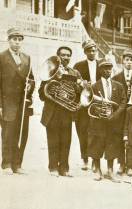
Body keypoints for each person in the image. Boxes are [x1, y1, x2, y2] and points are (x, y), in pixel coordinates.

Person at [39, 46, 82, 177]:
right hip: (52, 111)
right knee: (53, 140)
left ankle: (64, 168)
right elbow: (41, 94)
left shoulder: (75, 73)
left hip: (67, 112)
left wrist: (79, 89)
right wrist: (55, 82)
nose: (66, 57)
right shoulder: (50, 70)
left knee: (66, 141)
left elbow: (79, 94)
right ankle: (53, 167)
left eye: (68, 55)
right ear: (58, 56)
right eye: (63, 55)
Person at [0, 27, 35, 175]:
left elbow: (31, 78)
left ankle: (17, 164)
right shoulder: (1, 57)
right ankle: (6, 164)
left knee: (22, 134)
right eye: (14, 39)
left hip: (23, 103)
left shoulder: (27, 58)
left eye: (20, 40)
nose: (17, 43)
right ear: (9, 40)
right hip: (7, 103)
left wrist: (30, 86)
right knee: (8, 133)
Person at [87, 58, 127, 181]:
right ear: (100, 70)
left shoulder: (118, 85)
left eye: (110, 68)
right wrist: (98, 111)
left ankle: (110, 170)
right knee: (97, 145)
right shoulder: (94, 86)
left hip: (113, 121)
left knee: (112, 145)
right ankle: (98, 170)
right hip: (99, 122)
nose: (108, 70)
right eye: (105, 68)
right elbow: (90, 103)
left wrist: (115, 115)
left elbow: (123, 102)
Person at [112, 48, 132, 176]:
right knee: (121, 136)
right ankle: (121, 163)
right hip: (121, 111)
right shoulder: (116, 77)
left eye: (131, 60)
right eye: (127, 60)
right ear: (123, 61)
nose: (129, 62)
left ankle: (131, 165)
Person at [73, 39, 100, 171]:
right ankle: (84, 158)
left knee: (96, 132)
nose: (92, 52)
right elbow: (74, 83)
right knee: (82, 131)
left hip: (97, 102)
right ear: (85, 52)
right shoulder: (78, 66)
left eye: (94, 50)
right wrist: (82, 85)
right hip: (83, 103)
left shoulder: (102, 65)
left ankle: (95, 160)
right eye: (89, 50)